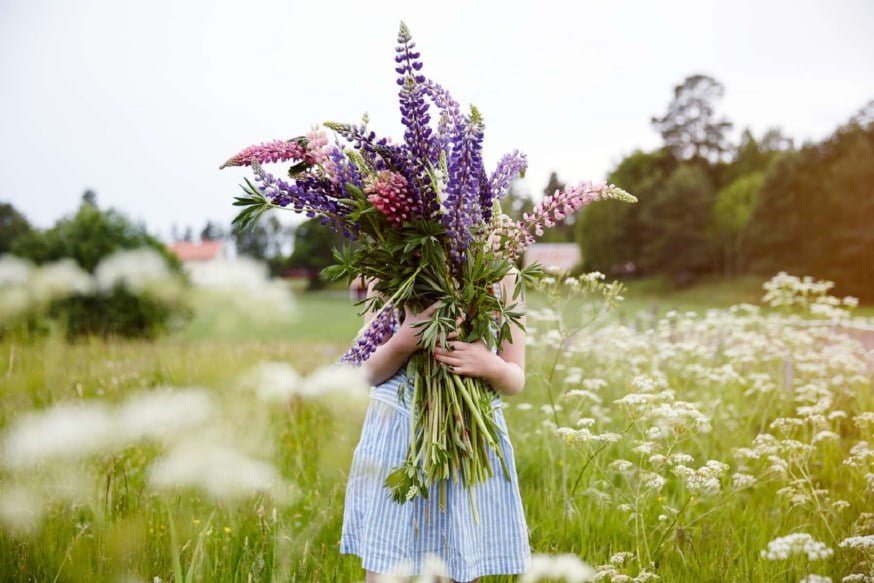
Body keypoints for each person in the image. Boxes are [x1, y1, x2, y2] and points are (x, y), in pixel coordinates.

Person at [340, 270, 532, 583]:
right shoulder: (387, 266)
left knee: (459, 561)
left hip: (464, 438)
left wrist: (490, 365)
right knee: (387, 565)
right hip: (396, 439)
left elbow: (515, 379)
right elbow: (367, 373)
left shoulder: (502, 273)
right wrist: (403, 342)